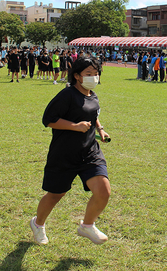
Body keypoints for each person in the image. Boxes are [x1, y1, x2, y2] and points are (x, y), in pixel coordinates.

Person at [30, 57, 111, 245]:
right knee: (55, 195)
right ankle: (38, 224)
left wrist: (100, 129)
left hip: (90, 151)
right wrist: (74, 126)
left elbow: (92, 114)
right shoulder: (67, 95)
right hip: (64, 153)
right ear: (77, 76)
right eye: (88, 74)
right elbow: (48, 119)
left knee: (103, 191)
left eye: (96, 73)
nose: (94, 77)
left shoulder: (92, 94)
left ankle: (87, 226)